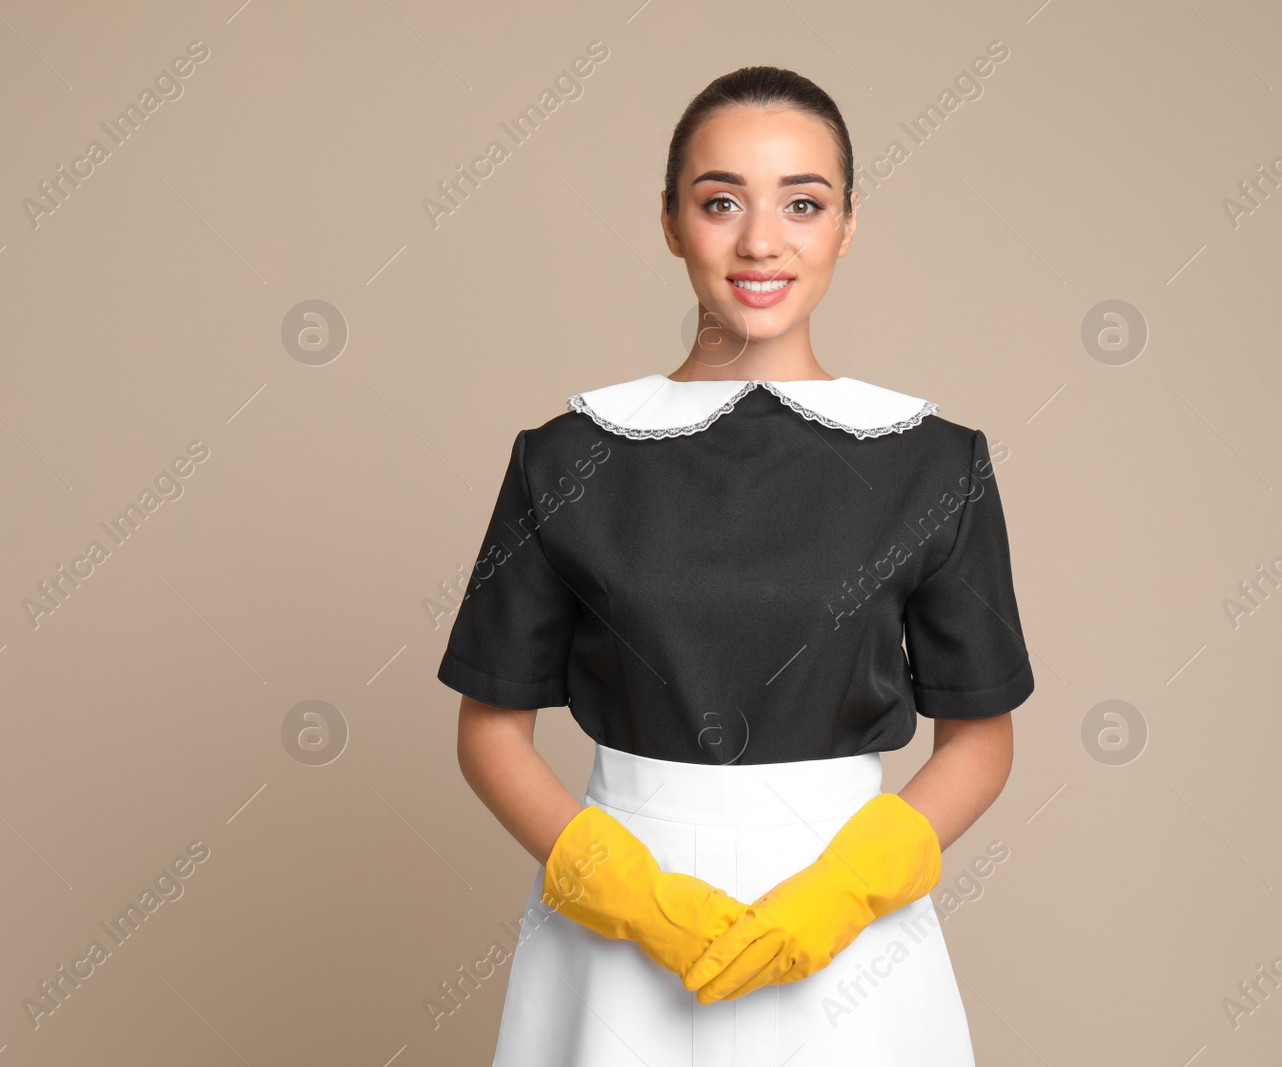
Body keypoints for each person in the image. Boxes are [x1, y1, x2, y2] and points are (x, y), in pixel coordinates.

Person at [437, 66, 1033, 1066]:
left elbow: (980, 740)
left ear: (846, 225)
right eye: (721, 202)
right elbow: (489, 731)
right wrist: (627, 893)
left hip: (853, 938)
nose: (761, 241)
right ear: (671, 222)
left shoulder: (933, 461)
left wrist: (843, 890)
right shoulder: (568, 456)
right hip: (616, 938)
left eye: (803, 202)